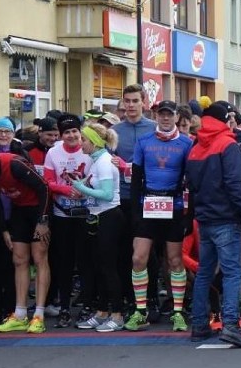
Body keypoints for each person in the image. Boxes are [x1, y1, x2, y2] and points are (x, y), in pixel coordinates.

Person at [186, 102, 241, 348]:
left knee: (205, 272)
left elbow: (191, 184)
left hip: (204, 218)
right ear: (223, 120)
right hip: (226, 218)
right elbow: (235, 183)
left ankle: (199, 324)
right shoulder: (227, 144)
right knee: (232, 272)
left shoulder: (196, 145)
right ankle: (230, 325)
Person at [126, 100, 194, 332]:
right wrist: (135, 212)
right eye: (161, 114)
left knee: (175, 261)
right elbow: (135, 179)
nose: (165, 119)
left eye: (169, 115)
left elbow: (192, 183)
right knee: (138, 258)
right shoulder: (144, 141)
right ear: (155, 116)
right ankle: (140, 310)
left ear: (176, 117)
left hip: (173, 206)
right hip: (148, 205)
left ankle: (177, 312)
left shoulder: (186, 143)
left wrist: (189, 215)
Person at [0, 152, 51, 334]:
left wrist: (43, 221)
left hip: (37, 209)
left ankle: (39, 315)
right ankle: (20, 314)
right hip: (19, 211)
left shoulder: (14, 165)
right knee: (19, 259)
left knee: (39, 258)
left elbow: (43, 187)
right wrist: (3, 229)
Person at [71, 123, 125, 332]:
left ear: (93, 142)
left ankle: (117, 314)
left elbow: (108, 194)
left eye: (83, 139)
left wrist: (82, 188)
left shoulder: (103, 162)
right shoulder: (95, 161)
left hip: (109, 216)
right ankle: (102, 311)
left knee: (109, 268)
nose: (79, 143)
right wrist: (82, 189)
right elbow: (92, 190)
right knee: (98, 267)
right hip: (97, 216)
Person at [44, 114, 93, 329]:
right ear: (61, 135)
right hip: (62, 214)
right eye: (67, 132)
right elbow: (48, 181)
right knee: (63, 263)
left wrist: (83, 190)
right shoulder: (53, 152)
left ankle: (87, 305)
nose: (72, 136)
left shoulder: (89, 149)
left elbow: (98, 176)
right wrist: (66, 190)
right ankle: (64, 306)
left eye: (75, 131)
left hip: (86, 213)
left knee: (86, 262)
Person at [112, 85, 157, 317]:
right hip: (122, 197)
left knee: (150, 252)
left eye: (134, 101)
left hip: (149, 198)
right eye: (127, 101)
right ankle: (131, 298)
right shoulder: (114, 130)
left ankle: (151, 299)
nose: (130, 105)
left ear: (144, 102)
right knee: (124, 252)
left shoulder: (154, 128)